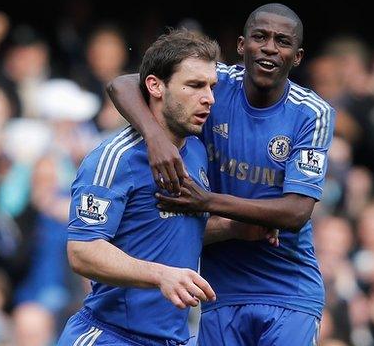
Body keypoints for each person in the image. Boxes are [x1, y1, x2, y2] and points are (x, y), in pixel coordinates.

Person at [108, 3, 335, 345]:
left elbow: (296, 212)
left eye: (282, 41)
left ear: (298, 56)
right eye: (260, 37)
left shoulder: (311, 113)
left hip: (288, 288)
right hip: (219, 290)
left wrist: (207, 200)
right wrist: (155, 138)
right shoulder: (216, 85)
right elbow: (122, 83)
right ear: (242, 46)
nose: (270, 48)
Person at [57, 29, 256, 346]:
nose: (209, 98)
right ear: (155, 85)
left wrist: (232, 228)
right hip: (110, 336)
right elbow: (83, 251)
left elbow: (164, 230)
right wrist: (161, 275)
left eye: (211, 86)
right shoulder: (115, 159)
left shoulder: (197, 151)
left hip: (170, 339)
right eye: (194, 86)